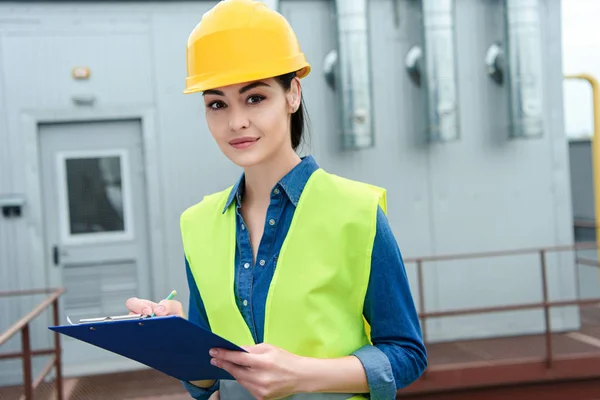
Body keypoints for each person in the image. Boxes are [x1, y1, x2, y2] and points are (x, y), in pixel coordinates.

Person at [126, 0, 427, 399]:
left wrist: (301, 374)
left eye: (255, 98)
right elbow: (207, 381)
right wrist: (175, 342)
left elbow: (406, 354)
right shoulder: (197, 224)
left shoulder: (357, 212)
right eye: (217, 104)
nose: (236, 122)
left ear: (293, 94)